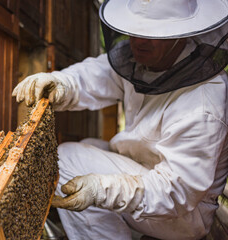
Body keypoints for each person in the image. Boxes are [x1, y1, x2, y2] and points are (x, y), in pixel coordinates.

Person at [12, 0, 228, 239]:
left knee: (69, 158)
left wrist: (100, 190)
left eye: (151, 33)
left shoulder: (203, 102)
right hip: (150, 171)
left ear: (180, 36)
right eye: (134, 30)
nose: (138, 41)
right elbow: (97, 75)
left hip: (182, 214)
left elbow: (176, 192)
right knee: (92, 146)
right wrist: (62, 83)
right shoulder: (145, 59)